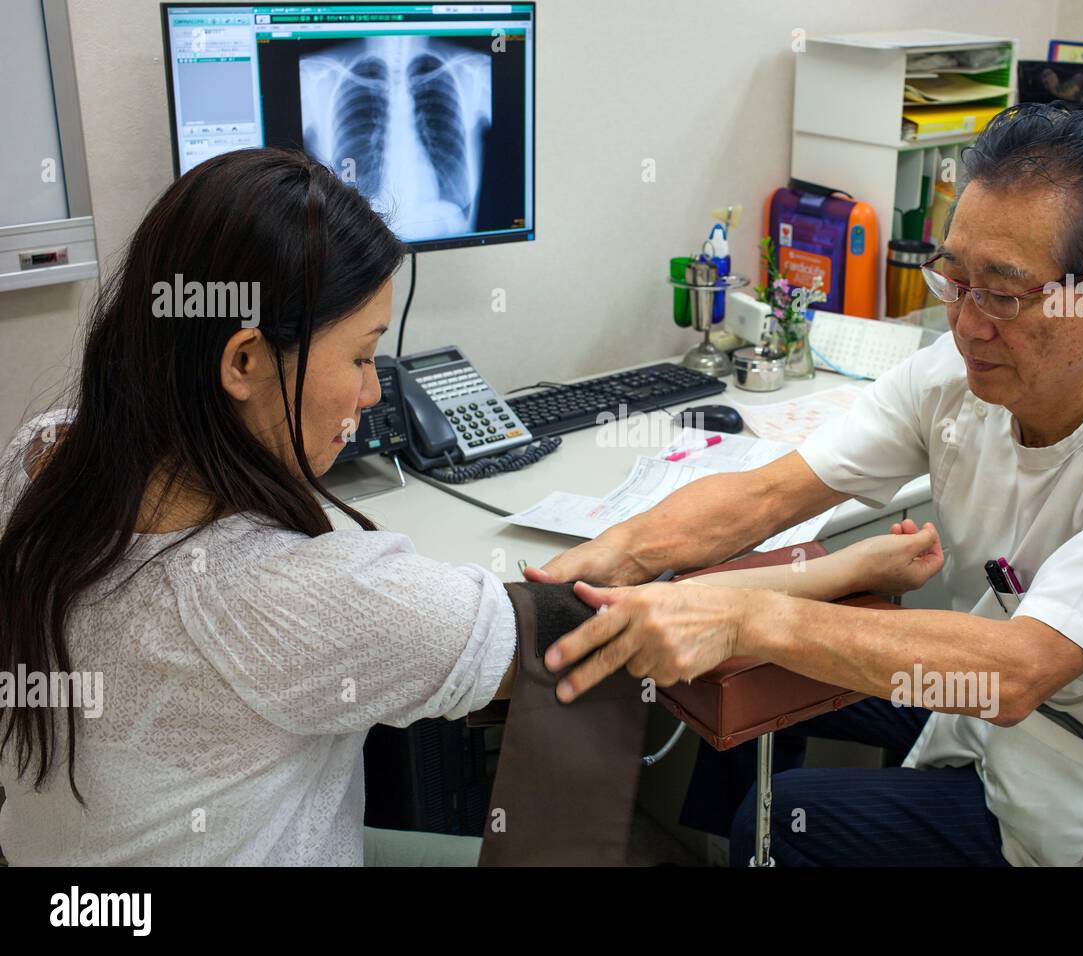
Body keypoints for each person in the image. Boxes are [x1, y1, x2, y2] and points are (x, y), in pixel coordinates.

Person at [0, 147, 940, 866]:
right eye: (363, 356)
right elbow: (603, 633)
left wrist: (618, 553)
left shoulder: (49, 452)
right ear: (243, 362)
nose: (373, 394)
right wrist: (848, 566)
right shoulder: (292, 593)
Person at [527, 104, 1083, 866]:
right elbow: (774, 492)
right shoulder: (962, 374)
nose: (969, 324)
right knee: (759, 669)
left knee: (786, 815)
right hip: (979, 720)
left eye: (1004, 293)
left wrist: (743, 617)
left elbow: (1017, 673)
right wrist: (617, 554)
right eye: (955, 278)